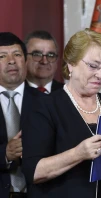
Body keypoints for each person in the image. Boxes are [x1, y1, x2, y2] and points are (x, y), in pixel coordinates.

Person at [22, 29, 101, 198]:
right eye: (93, 66)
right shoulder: (44, 107)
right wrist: (78, 153)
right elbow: (33, 172)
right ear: (71, 64)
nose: (100, 75)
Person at [0, 32, 43, 198]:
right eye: (2, 56)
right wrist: (5, 154)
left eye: (17, 54)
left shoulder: (46, 102)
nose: (11, 60)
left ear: (26, 61)